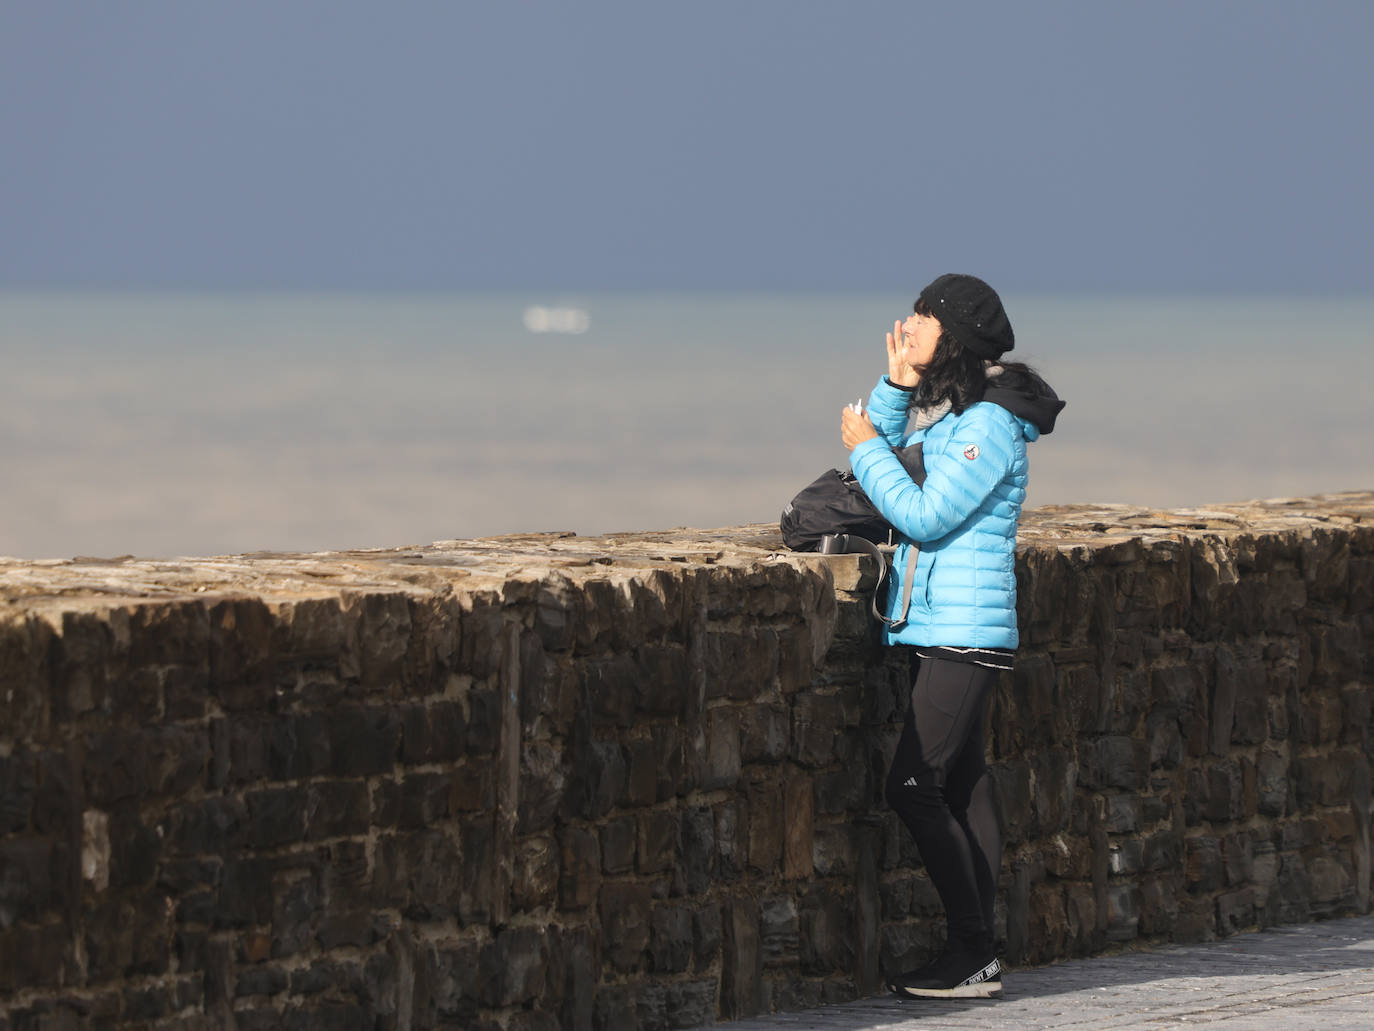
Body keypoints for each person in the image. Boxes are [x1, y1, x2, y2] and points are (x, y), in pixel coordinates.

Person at [839, 273, 1064, 1000]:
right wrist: (895, 387)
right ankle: (979, 954)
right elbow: (894, 459)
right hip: (938, 625)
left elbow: (923, 513)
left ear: (955, 337)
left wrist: (866, 447)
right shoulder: (956, 413)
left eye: (924, 315)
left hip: (964, 632)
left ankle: (971, 951)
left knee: (911, 785)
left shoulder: (988, 425)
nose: (908, 323)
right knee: (963, 787)